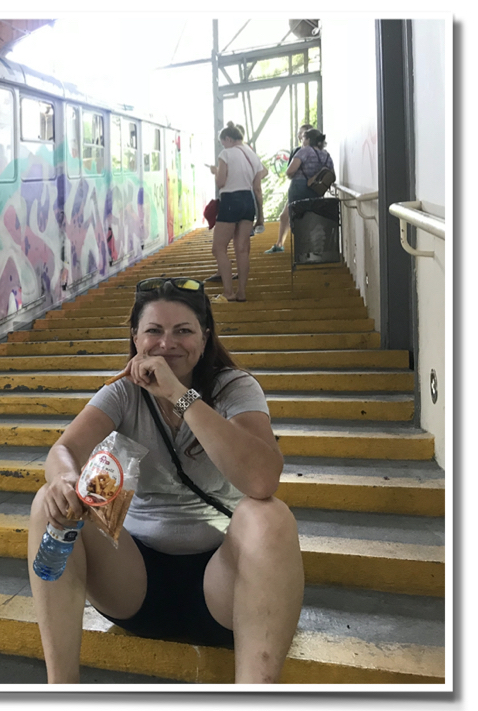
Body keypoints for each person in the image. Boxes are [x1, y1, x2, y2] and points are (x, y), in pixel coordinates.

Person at [27, 277, 304, 684]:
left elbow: (262, 479)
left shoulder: (234, 388)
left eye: (183, 331)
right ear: (135, 338)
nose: (167, 343)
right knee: (46, 506)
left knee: (270, 517)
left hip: (224, 587)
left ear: (205, 338)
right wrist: (65, 480)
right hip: (134, 583)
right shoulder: (122, 392)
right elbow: (63, 450)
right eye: (154, 331)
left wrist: (180, 395)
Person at [210, 125, 266, 302]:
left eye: (223, 143)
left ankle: (228, 292)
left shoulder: (226, 154)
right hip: (248, 202)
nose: (223, 146)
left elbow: (221, 182)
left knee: (219, 248)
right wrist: (261, 216)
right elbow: (257, 188)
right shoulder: (252, 155)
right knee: (242, 250)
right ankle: (241, 292)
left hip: (230, 200)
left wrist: (215, 172)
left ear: (228, 139)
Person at [265, 123, 313, 253]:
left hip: (306, 191)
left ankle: (303, 249)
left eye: (303, 133)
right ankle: (280, 244)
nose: (300, 136)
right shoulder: (297, 151)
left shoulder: (315, 152)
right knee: (284, 216)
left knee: (301, 219)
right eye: (300, 133)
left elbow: (291, 171)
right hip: (296, 190)